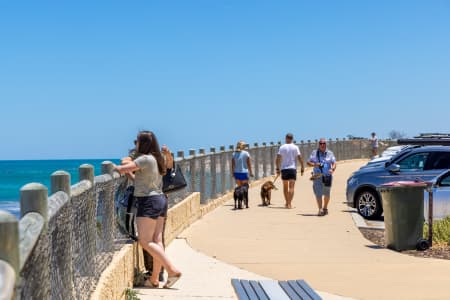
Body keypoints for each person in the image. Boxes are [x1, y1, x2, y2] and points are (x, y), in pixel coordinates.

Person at [114, 131, 181, 288]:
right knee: (157, 240)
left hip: (148, 201)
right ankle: (154, 279)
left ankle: (172, 270)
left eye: (136, 141)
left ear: (142, 143)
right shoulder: (157, 159)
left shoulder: (144, 159)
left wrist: (113, 167)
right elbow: (141, 178)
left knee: (145, 240)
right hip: (161, 200)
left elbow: (123, 168)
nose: (135, 143)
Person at [307, 138, 337, 216]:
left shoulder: (330, 153)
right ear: (319, 144)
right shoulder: (314, 153)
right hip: (317, 176)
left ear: (326, 144)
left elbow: (334, 163)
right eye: (321, 143)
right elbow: (308, 162)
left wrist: (332, 169)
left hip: (327, 176)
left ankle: (325, 208)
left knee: (327, 194)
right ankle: (320, 209)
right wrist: (315, 164)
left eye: (324, 143)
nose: (322, 145)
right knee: (318, 193)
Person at [275, 133, 305, 209]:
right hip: (292, 169)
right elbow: (300, 157)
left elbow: (278, 158)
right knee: (291, 187)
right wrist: (302, 166)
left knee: (285, 187)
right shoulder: (295, 147)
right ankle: (289, 204)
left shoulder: (282, 147)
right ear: (292, 139)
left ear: (286, 138)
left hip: (284, 169)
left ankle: (286, 202)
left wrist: (277, 168)